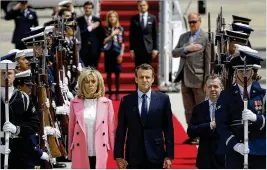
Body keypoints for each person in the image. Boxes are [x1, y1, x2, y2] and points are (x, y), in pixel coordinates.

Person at [114, 64, 174, 169]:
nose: (144, 80)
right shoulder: (126, 101)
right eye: (141, 77)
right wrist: (118, 155)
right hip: (133, 155)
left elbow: (168, 129)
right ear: (136, 79)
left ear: (153, 79)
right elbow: (121, 130)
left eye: (147, 77)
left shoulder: (163, 99)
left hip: (156, 154)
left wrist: (169, 155)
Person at [215, 45, 266, 169]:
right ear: (235, 72)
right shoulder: (226, 95)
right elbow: (221, 125)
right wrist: (235, 145)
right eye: (240, 71)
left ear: (253, 72)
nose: (244, 74)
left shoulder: (263, 94)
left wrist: (257, 118)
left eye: (247, 70)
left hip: (259, 151)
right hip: (235, 152)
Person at [172, 12, 211, 144]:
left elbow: (209, 61)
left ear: (200, 21)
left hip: (199, 79)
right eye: (190, 22)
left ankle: (201, 135)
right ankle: (193, 134)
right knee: (188, 110)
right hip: (185, 78)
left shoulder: (205, 37)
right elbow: (174, 52)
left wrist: (207, 80)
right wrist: (187, 49)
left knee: (200, 109)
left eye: (194, 21)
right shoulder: (184, 37)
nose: (192, 24)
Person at [68, 68, 115, 169]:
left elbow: (111, 129)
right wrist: (70, 151)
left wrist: (116, 152)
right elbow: (71, 129)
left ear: (98, 83)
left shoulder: (107, 103)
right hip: (80, 148)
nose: (90, 84)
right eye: (87, 81)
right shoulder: (74, 102)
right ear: (82, 84)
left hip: (100, 148)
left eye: (93, 81)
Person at [0, 59, 40, 169]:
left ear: (14, 75)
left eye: (9, 73)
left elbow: (34, 124)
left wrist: (17, 129)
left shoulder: (23, 98)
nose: (6, 77)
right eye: (3, 73)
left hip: (21, 154)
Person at [187, 74, 225, 168]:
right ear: (205, 88)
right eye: (209, 86)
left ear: (222, 88)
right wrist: (210, 125)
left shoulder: (229, 107)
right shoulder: (198, 109)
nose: (212, 89)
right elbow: (191, 132)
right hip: (205, 160)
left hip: (224, 159)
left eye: (215, 86)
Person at [129, 0, 158, 68]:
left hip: (148, 49)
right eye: (140, 6)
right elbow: (132, 35)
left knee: (148, 68)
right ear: (138, 7)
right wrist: (131, 49)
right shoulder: (134, 19)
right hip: (137, 49)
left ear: (147, 6)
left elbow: (155, 34)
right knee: (138, 68)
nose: (142, 7)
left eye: (144, 5)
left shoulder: (153, 18)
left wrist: (155, 49)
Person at [103, 10, 125, 100]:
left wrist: (121, 54)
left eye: (114, 16)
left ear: (117, 18)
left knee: (117, 74)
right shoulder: (105, 29)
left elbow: (123, 43)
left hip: (117, 52)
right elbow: (104, 41)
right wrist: (112, 34)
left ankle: (117, 93)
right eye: (110, 17)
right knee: (108, 74)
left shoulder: (120, 28)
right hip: (108, 52)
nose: (112, 18)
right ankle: (110, 93)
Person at [76, 1, 105, 68]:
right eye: (86, 8)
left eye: (89, 8)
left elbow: (101, 35)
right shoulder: (79, 20)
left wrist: (100, 47)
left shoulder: (97, 20)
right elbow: (79, 33)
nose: (87, 9)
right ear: (84, 8)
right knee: (84, 67)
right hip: (83, 48)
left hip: (94, 49)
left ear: (92, 9)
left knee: (94, 68)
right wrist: (90, 27)